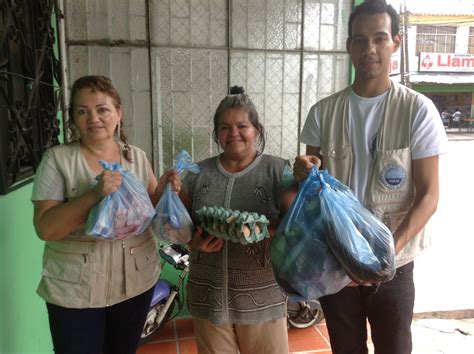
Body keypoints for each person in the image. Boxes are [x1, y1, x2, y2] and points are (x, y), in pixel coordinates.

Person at [294, 1, 448, 353]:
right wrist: (302, 170)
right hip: (336, 261)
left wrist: (386, 253)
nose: (370, 49)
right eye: (360, 40)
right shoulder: (323, 112)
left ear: (396, 42)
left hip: (394, 264)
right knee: (345, 348)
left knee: (394, 347)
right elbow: (310, 182)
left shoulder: (417, 110)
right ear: (349, 46)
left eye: (379, 38)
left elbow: (429, 195)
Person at [31, 75, 177, 354]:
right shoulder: (57, 160)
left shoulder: (136, 156)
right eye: (82, 111)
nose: (93, 118)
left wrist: (165, 191)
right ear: (73, 118)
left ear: (118, 113)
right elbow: (45, 229)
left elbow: (151, 211)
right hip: (75, 290)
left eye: (102, 109)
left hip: (135, 283)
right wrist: (93, 195)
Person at [173, 86, 293, 354]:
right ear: (217, 134)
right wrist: (193, 240)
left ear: (256, 130)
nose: (233, 133)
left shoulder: (278, 171)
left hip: (262, 298)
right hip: (209, 294)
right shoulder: (198, 174)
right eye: (225, 128)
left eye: (242, 125)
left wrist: (261, 229)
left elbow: (297, 224)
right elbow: (181, 224)